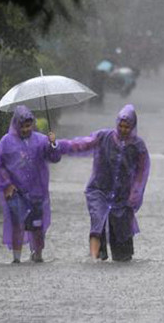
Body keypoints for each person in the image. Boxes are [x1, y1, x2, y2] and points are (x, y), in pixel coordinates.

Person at [61, 104, 150, 262]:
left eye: (127, 127)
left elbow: (142, 173)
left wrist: (135, 194)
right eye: (120, 126)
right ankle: (96, 257)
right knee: (98, 219)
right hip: (99, 189)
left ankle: (121, 254)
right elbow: (82, 144)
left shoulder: (138, 146)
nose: (123, 130)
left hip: (122, 195)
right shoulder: (104, 137)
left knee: (121, 232)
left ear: (133, 126)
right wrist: (60, 146)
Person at [0, 105, 62, 263]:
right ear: (16, 124)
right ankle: (16, 259)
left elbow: (54, 157)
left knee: (37, 226)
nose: (25, 129)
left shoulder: (40, 140)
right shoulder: (6, 142)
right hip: (15, 191)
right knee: (18, 223)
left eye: (28, 126)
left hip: (37, 191)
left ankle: (38, 255)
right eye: (22, 126)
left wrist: (53, 144)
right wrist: (6, 184)